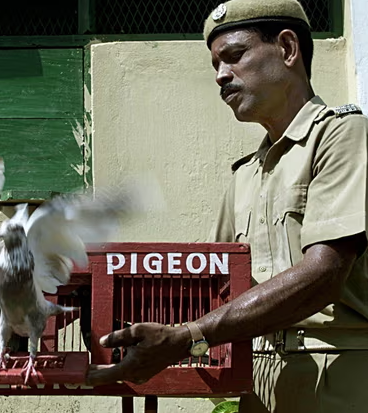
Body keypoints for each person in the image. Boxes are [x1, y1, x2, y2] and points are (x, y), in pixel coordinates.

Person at [86, 0, 368, 411]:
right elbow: (211, 288)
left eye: (234, 56)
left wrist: (189, 337)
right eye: (215, 64)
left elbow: (324, 273)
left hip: (338, 377)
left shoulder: (344, 137)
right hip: (256, 380)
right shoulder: (246, 174)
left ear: (288, 49)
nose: (220, 76)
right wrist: (81, 301)